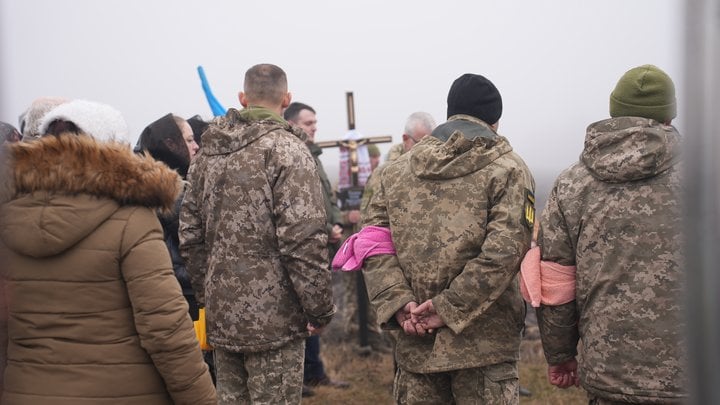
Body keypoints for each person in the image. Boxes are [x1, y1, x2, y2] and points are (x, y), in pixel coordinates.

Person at [0, 99, 217, 404]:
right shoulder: (132, 220)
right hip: (121, 392)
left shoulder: (8, 218)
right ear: (114, 150)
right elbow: (165, 329)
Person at [359, 73, 535, 404]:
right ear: (494, 122)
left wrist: (400, 305)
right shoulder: (509, 169)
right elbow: (505, 252)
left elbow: (372, 242)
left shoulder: (395, 171)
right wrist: (446, 309)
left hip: (415, 341)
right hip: (484, 347)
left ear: (450, 113)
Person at [528, 64, 686, 404]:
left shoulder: (573, 184)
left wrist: (560, 356)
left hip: (608, 373)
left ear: (615, 112)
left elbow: (555, 284)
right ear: (669, 117)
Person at [179, 64, 335, 404]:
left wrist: (212, 296)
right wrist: (319, 308)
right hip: (275, 322)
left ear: (242, 98)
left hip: (223, 316)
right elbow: (303, 240)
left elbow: (190, 234)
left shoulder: (208, 152)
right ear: (287, 99)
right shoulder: (289, 151)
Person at [283, 102, 349, 395]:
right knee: (301, 313)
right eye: (309, 123)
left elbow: (326, 197)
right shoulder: (290, 155)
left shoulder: (315, 155)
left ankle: (313, 372)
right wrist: (324, 228)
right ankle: (297, 376)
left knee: (317, 309)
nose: (314, 127)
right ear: (293, 124)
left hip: (323, 244)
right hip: (305, 246)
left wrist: (334, 224)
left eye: (315, 122)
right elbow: (297, 208)